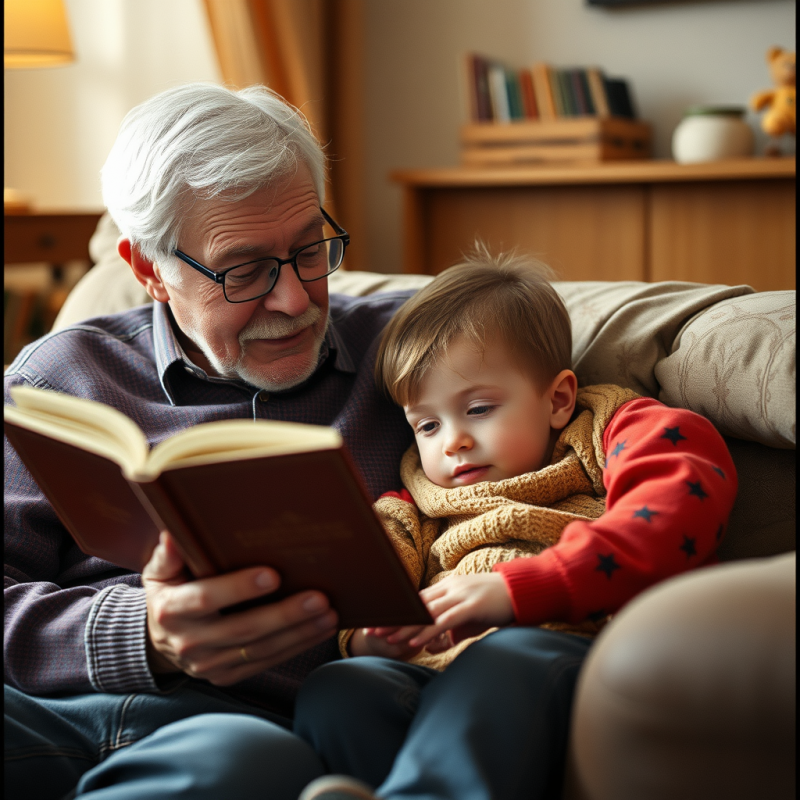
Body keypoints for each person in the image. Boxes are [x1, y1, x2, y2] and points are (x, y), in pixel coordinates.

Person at [4, 83, 418, 800]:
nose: (293, 300)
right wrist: (142, 633)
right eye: (245, 270)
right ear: (147, 270)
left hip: (231, 740)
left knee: (243, 764)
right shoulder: (58, 378)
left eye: (310, 250)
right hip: (48, 715)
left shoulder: (420, 353)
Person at [293, 252, 739, 800]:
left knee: (505, 661)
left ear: (557, 399)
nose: (450, 441)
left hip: (575, 650)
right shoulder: (415, 497)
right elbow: (366, 578)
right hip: (436, 670)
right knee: (340, 689)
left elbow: (674, 508)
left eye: (478, 408)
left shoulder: (611, 431)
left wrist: (518, 588)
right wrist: (369, 635)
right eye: (427, 424)